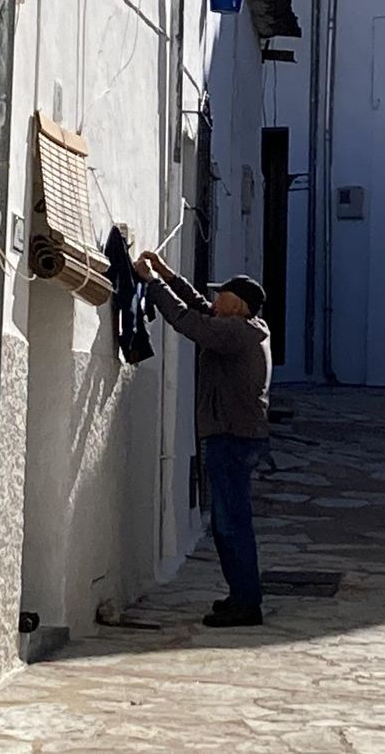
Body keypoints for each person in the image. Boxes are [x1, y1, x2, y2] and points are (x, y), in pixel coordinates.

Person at [134, 250, 272, 628]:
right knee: (229, 521)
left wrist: (152, 282)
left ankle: (246, 602)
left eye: (222, 295)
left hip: (231, 437)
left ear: (237, 304)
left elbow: (187, 321)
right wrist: (166, 273)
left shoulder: (236, 333)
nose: (214, 300)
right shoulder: (242, 328)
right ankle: (241, 597)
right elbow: (197, 306)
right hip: (234, 436)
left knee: (231, 523)